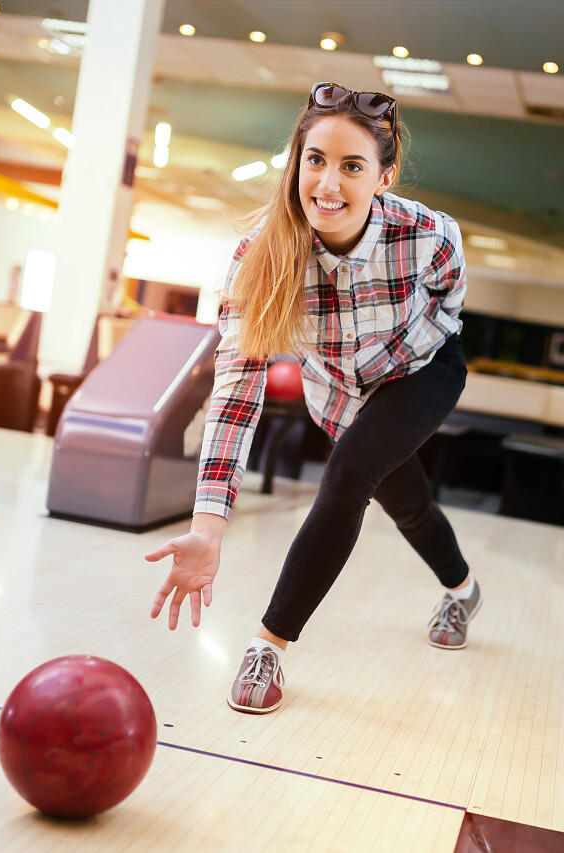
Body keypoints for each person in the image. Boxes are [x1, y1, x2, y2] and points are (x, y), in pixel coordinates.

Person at [146, 82, 481, 714]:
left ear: (385, 175)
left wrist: (400, 375)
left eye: (352, 165)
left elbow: (449, 301)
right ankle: (462, 590)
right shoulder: (261, 260)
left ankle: (268, 645)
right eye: (316, 159)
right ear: (297, 161)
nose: (328, 183)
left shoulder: (429, 236)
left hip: (424, 368)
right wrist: (206, 528)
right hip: (337, 397)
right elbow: (234, 398)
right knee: (405, 502)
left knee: (349, 473)